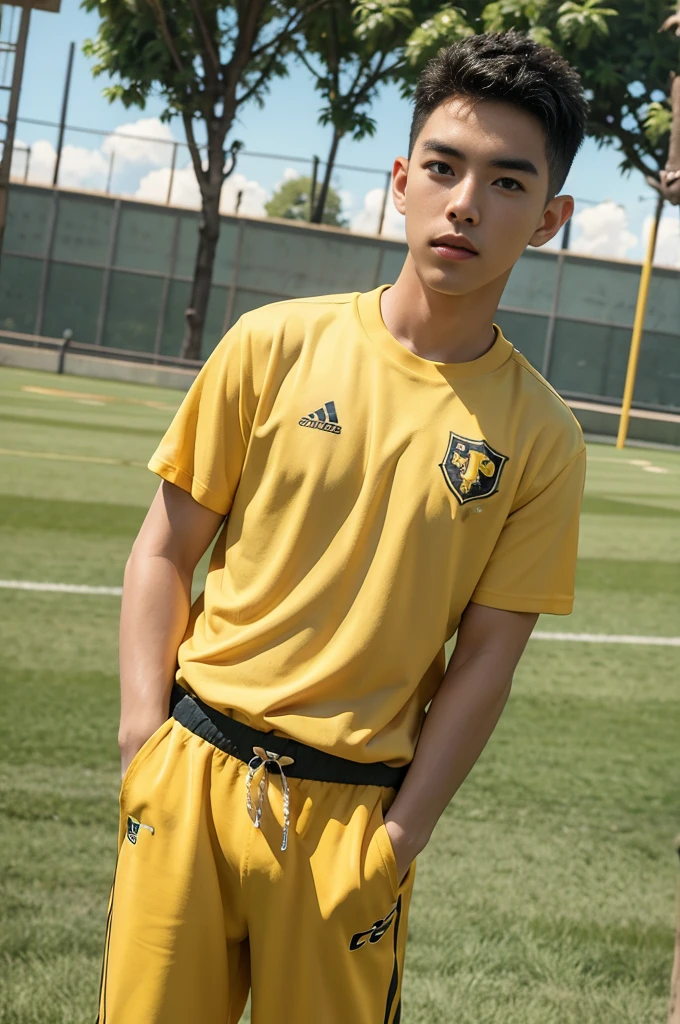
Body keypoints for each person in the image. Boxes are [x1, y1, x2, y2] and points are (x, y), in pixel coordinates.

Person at [96, 30, 588, 1024]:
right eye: (443, 169)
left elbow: (485, 658)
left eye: (504, 182)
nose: (464, 203)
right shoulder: (272, 344)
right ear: (401, 179)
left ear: (547, 219)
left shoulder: (541, 438)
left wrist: (399, 838)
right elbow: (162, 549)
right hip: (189, 772)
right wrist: (142, 739)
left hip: (350, 816)